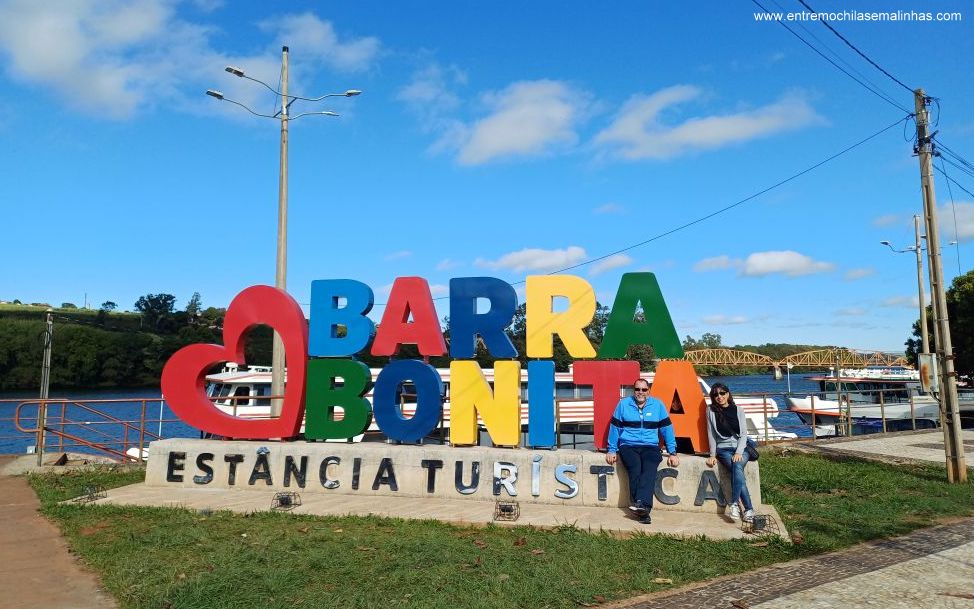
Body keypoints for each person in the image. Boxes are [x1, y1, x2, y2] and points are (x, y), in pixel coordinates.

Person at [605, 378, 679, 524]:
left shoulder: (658, 405)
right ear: (633, 391)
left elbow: (667, 429)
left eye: (644, 389)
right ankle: (643, 509)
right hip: (628, 445)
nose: (641, 392)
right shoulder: (623, 404)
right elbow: (615, 428)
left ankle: (640, 506)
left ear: (648, 391)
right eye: (637, 389)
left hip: (651, 446)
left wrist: (673, 452)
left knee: (649, 469)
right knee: (635, 469)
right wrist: (611, 450)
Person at [705, 383, 755, 522]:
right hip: (723, 449)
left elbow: (743, 434)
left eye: (722, 393)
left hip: (741, 448)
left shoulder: (738, 410)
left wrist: (738, 452)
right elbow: (711, 434)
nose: (719, 397)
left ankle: (734, 504)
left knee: (737, 466)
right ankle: (749, 509)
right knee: (737, 469)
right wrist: (712, 455)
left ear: (727, 394)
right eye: (716, 394)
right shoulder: (710, 411)